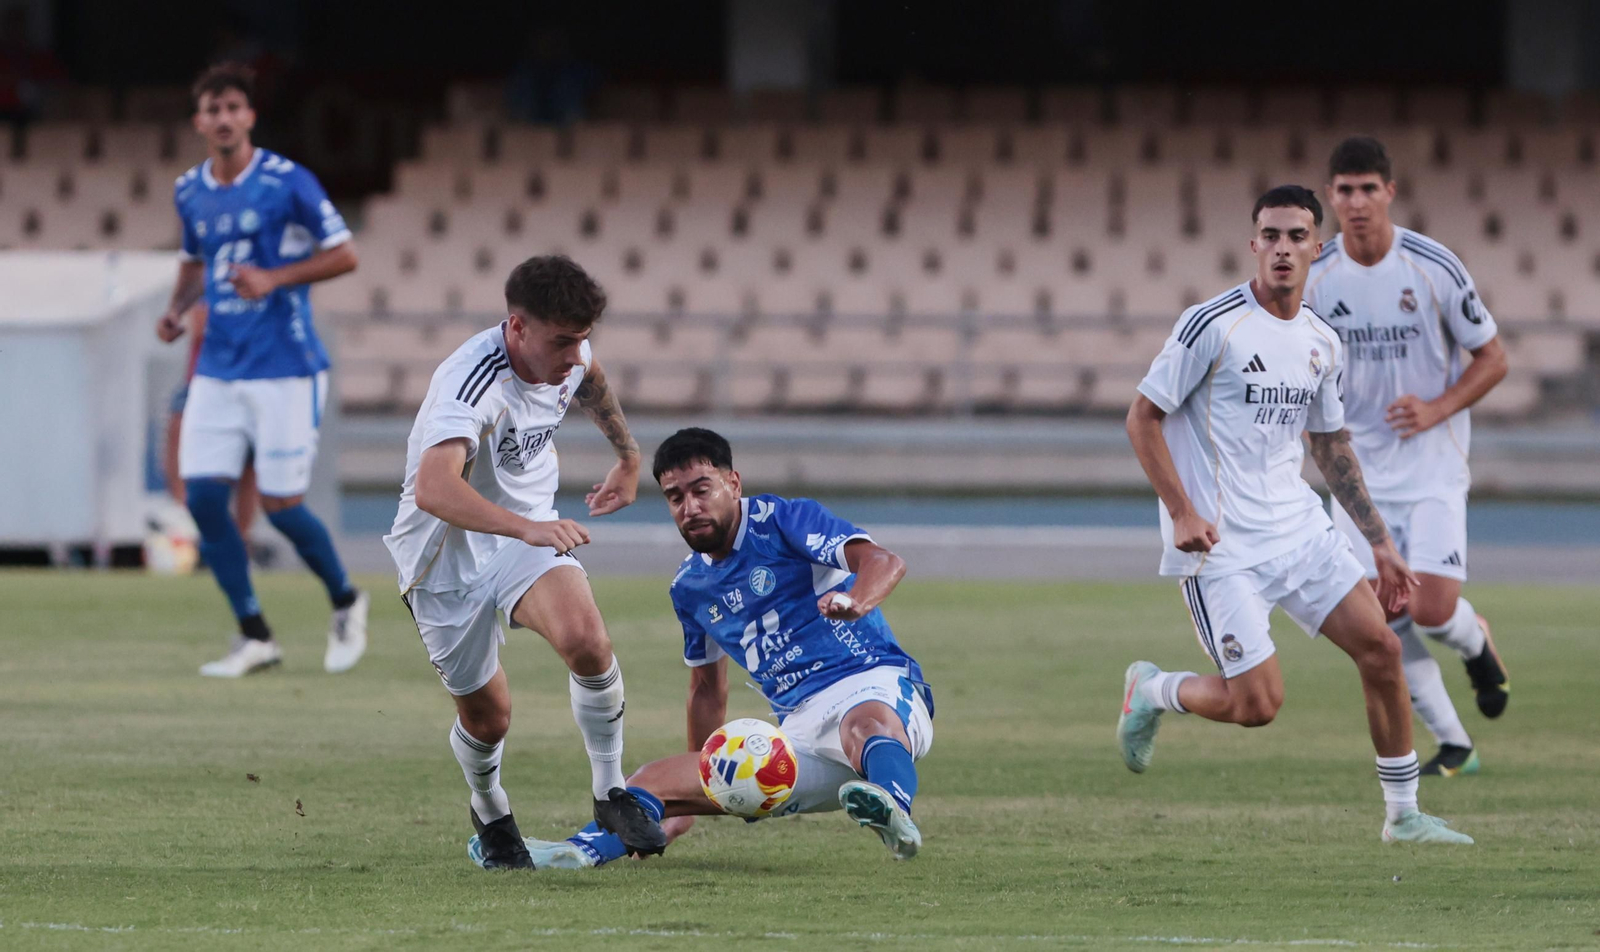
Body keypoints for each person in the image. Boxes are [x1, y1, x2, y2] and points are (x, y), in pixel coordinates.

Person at [1116, 185, 1473, 845]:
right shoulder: (1210, 325)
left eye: (1297, 236)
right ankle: (1155, 690)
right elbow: (1143, 418)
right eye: (1272, 236)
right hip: (1220, 547)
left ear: (1318, 247)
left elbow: (1330, 445)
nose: (1283, 248)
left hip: (1300, 531)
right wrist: (1181, 511)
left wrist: (1380, 543)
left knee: (1383, 649)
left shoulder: (1321, 341)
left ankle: (1404, 817)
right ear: (1254, 243)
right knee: (1258, 706)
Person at [494, 427, 933, 868]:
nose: (690, 507)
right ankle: (576, 853)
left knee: (863, 727)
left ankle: (893, 808)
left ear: (733, 483)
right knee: (648, 780)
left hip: (871, 685)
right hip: (797, 735)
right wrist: (700, 786)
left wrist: (855, 602)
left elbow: (884, 561)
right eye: (675, 497)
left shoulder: (783, 520)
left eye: (701, 490)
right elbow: (706, 689)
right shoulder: (690, 587)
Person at [383, 255, 666, 869]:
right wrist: (528, 527)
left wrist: (628, 456)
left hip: (524, 538)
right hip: (443, 560)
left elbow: (591, 377)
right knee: (490, 718)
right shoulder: (470, 382)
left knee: (587, 641)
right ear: (517, 327)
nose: (574, 354)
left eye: (582, 339)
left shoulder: (569, 353)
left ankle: (610, 793)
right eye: (562, 341)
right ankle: (490, 810)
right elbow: (433, 488)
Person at [1306, 136, 1511, 778]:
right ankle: (1455, 744)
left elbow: (1493, 359)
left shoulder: (1433, 267)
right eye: (1345, 190)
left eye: (1368, 188)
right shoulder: (1315, 276)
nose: (1357, 202)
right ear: (1331, 196)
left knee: (1430, 610)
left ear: (1389, 192)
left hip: (1431, 467)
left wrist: (1437, 407)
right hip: (1357, 476)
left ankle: (1474, 639)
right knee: (1379, 623)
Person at [158, 62, 366, 678]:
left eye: (233, 108)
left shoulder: (286, 181)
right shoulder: (189, 189)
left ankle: (346, 600)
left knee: (281, 505)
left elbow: (346, 254)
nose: (223, 119)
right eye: (212, 110)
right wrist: (175, 310)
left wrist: (274, 278)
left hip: (285, 367)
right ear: (198, 122)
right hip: (218, 367)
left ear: (249, 116)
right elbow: (194, 261)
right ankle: (255, 635)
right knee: (202, 499)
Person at [163, 303, 260, 541]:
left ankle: (241, 538)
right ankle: (184, 520)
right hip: (205, 381)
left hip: (252, 382)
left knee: (249, 464)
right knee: (180, 433)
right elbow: (200, 326)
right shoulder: (211, 283)